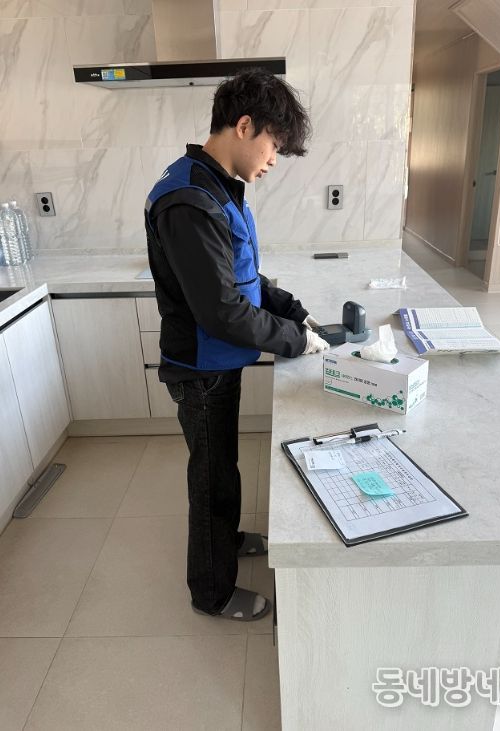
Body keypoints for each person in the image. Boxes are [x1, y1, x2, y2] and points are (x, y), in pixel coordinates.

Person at [144, 68, 329, 622]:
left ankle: (227, 537)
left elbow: (241, 275)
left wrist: (291, 309)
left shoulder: (216, 185)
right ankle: (212, 592)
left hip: (217, 363)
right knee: (212, 478)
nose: (273, 160)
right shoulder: (189, 200)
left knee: (223, 467)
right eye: (273, 145)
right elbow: (222, 311)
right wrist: (295, 340)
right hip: (200, 370)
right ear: (244, 126)